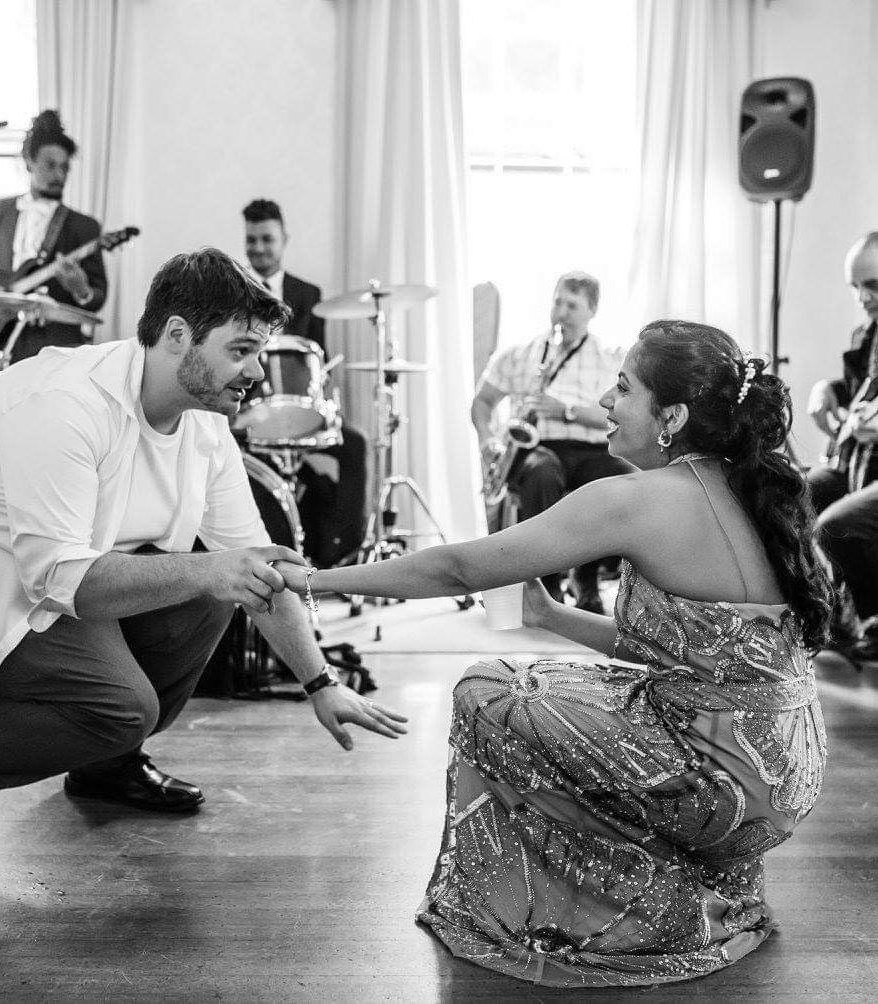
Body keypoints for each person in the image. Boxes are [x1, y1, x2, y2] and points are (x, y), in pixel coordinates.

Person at [277, 320, 831, 987]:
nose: (604, 401)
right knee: (554, 681)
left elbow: (456, 569)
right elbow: (691, 654)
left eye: (624, 388)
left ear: (673, 417)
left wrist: (313, 579)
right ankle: (685, 883)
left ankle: (600, 907)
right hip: (783, 777)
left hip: (720, 782)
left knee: (490, 689)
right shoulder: (755, 488)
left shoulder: (634, 499)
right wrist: (547, 615)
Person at [0, 248, 407, 872]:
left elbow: (256, 567)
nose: (257, 372)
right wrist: (214, 570)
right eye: (241, 351)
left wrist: (321, 683)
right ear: (177, 335)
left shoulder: (205, 424)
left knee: (214, 594)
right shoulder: (65, 402)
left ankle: (106, 763)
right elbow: (61, 579)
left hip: (55, 573)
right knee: (124, 703)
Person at [471, 271, 632, 612]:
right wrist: (487, 441)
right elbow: (482, 402)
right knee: (542, 474)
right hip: (536, 448)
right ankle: (547, 585)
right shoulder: (520, 354)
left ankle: (586, 578)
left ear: (592, 311)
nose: (561, 313)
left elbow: (621, 414)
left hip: (591, 448)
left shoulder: (611, 358)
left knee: (620, 476)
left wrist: (568, 412)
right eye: (558, 302)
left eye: (572, 306)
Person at [241, 198, 367, 567]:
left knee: (355, 445)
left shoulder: (308, 294)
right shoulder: (234, 292)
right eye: (251, 240)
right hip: (250, 415)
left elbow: (318, 361)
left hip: (302, 411)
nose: (258, 248)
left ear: (284, 240)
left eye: (267, 239)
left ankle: (342, 553)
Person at [0, 110, 107, 365]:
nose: (59, 175)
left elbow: (98, 296)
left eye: (65, 168)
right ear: (29, 162)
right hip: (0, 340)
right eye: (50, 165)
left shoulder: (85, 227)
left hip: (57, 349)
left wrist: (81, 289)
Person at [806, 232, 878, 663]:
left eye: (873, 285)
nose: (862, 298)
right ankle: (827, 610)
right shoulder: (868, 333)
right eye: (856, 287)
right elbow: (857, 387)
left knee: (837, 526)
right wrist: (825, 389)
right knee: (783, 498)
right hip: (855, 463)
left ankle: (871, 618)